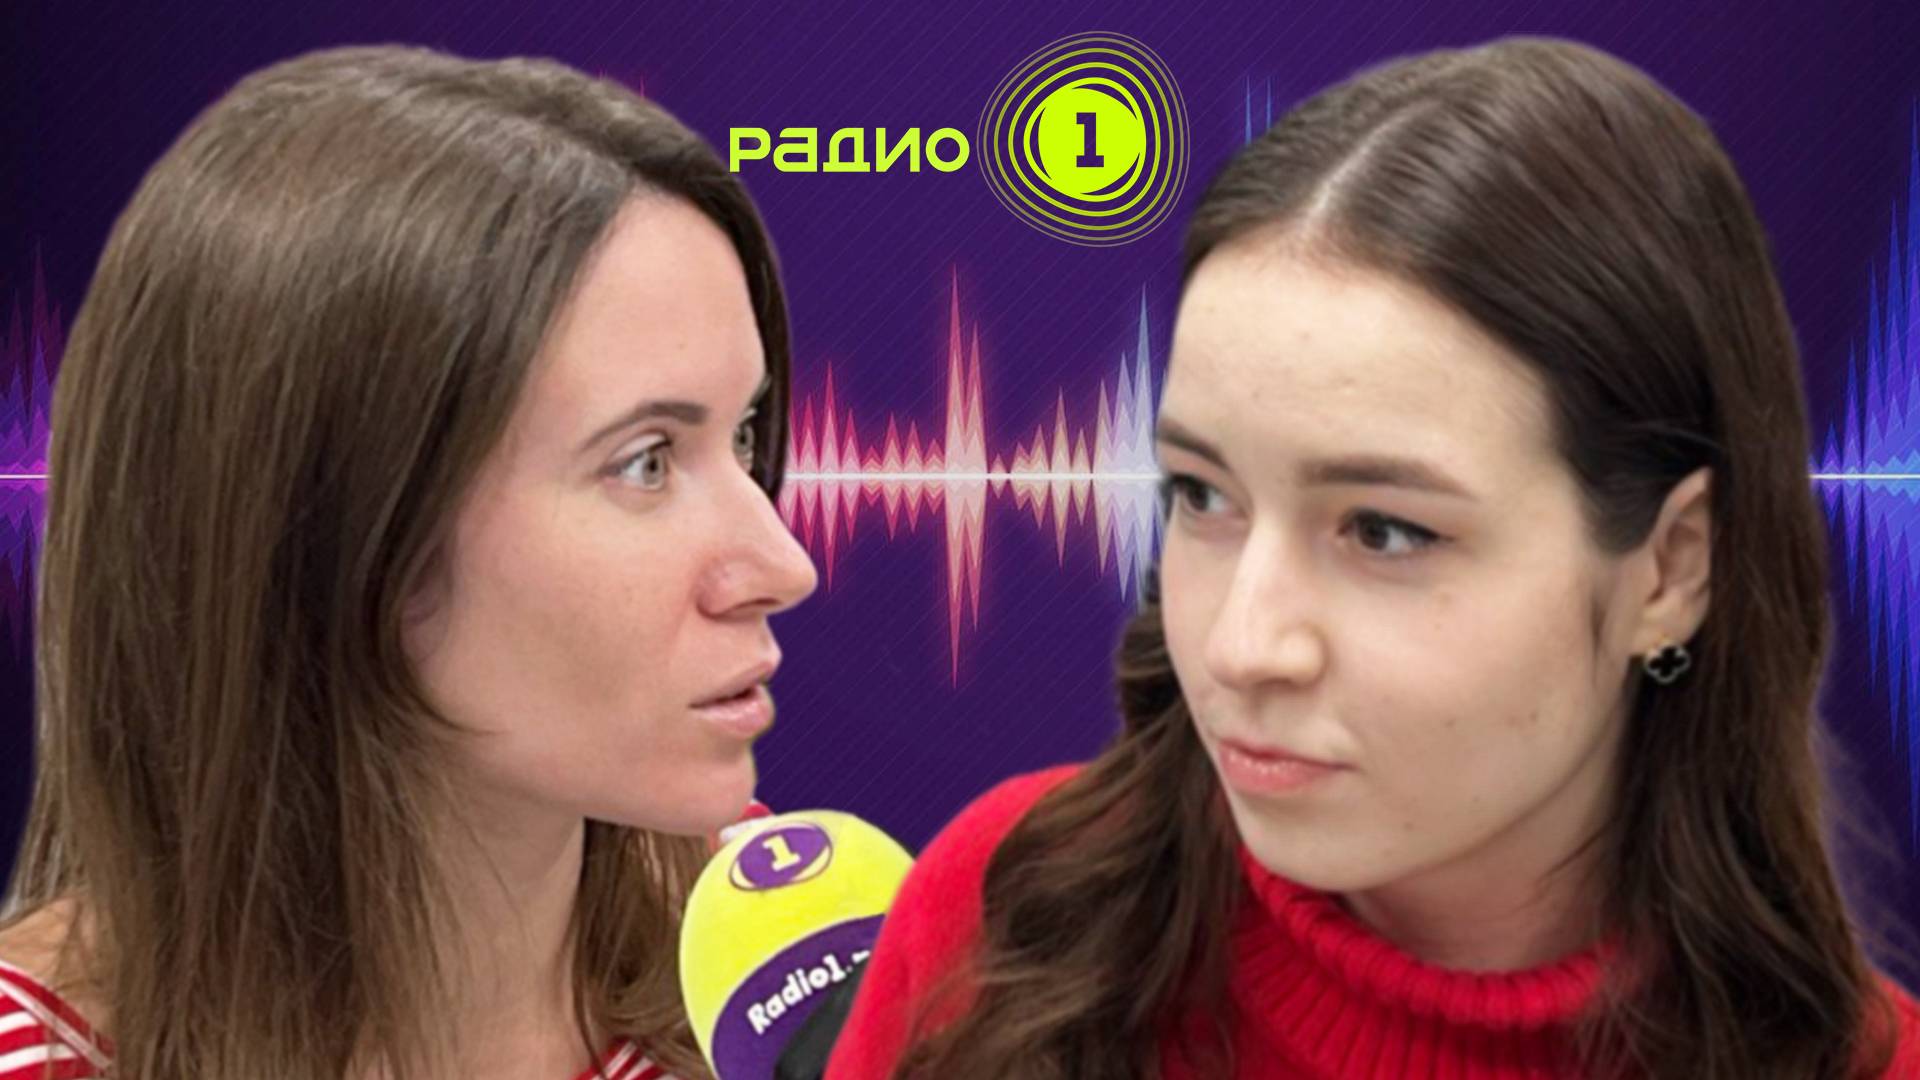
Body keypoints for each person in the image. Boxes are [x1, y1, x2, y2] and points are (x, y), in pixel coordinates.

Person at [825, 37, 1920, 1080]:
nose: (1242, 647)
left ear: (1671, 570)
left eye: (1385, 531)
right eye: (1202, 495)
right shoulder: (1006, 915)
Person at [0, 44, 816, 1080]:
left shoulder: (791, 954)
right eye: (645, 461)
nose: (782, 563)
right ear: (334, 531)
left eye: (742, 437)